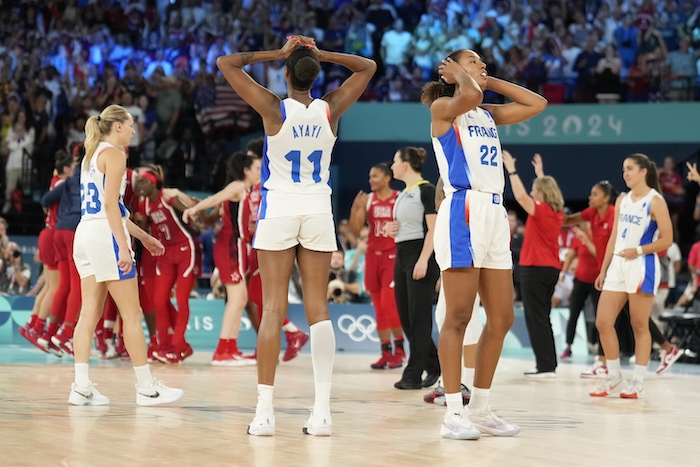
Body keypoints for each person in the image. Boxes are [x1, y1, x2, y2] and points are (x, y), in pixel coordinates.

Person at [215, 35, 375, 436]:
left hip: (280, 208)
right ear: (317, 75)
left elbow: (227, 63)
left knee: (272, 309)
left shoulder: (273, 108)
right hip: (319, 208)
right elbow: (367, 67)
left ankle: (264, 414)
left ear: (285, 74)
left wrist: (280, 52)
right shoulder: (331, 108)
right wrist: (320, 54)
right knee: (319, 311)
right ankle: (321, 412)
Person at [423, 49, 547, 439]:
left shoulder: (485, 112)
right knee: (458, 316)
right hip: (464, 208)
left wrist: (486, 80)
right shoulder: (446, 106)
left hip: (495, 212)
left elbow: (536, 103)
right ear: (455, 70)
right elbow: (470, 95)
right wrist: (465, 78)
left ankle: (481, 406)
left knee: (503, 317)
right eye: (476, 62)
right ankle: (452, 413)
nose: (484, 66)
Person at [69, 104, 183, 406]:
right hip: (105, 235)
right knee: (132, 314)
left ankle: (80, 387)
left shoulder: (90, 156)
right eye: (131, 124)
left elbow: (112, 210)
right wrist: (122, 246)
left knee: (89, 312)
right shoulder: (116, 155)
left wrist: (144, 237)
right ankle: (147, 388)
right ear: (117, 126)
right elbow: (110, 209)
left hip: (85, 234)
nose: (135, 130)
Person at [590, 154, 672, 399]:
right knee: (603, 322)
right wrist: (604, 269)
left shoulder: (655, 201)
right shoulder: (622, 199)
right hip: (617, 264)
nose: (625, 173)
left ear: (643, 171)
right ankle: (614, 375)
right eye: (623, 169)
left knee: (639, 325)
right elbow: (614, 236)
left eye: (630, 169)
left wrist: (636, 250)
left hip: (641, 264)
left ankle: (637, 381)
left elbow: (667, 240)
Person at [182, 153, 261, 366]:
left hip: (239, 247)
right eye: (256, 168)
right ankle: (222, 351)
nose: (260, 172)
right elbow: (215, 198)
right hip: (230, 247)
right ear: (246, 171)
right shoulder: (237, 187)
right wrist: (194, 209)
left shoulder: (251, 190)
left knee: (241, 299)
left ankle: (230, 348)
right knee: (236, 300)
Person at [503, 152, 565, 378]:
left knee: (535, 317)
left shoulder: (541, 210)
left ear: (541, 194)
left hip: (535, 269)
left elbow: (519, 196)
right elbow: (541, 190)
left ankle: (546, 367)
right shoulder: (555, 212)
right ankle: (548, 364)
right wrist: (540, 174)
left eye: (535, 190)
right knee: (542, 316)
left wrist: (511, 169)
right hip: (549, 269)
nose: (531, 193)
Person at [385, 146, 440, 390]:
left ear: (405, 164)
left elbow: (433, 229)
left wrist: (424, 260)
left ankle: (413, 374)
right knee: (407, 317)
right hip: (402, 254)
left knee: (419, 319)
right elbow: (402, 225)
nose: (392, 166)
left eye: (394, 161)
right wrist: (390, 230)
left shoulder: (426, 191)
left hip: (420, 254)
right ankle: (434, 364)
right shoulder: (402, 194)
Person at [135, 165, 201, 364]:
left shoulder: (168, 197)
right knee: (159, 300)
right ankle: (162, 345)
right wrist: (137, 222)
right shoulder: (145, 204)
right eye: (138, 182)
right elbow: (144, 230)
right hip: (166, 252)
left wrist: (195, 213)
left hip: (185, 249)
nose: (139, 185)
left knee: (181, 299)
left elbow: (190, 212)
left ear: (153, 183)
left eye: (143, 181)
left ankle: (177, 345)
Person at [349, 162, 405, 370]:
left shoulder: (399, 198)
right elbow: (356, 230)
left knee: (389, 305)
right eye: (370, 177)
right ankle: (385, 352)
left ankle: (400, 350)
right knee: (379, 308)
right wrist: (355, 208)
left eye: (375, 176)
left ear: (387, 178)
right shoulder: (368, 200)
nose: (371, 180)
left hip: (392, 255)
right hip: (372, 256)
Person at [564, 180, 619, 377]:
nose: (590, 197)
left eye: (594, 194)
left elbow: (607, 250)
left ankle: (665, 346)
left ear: (606, 198)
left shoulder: (615, 214)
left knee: (619, 319)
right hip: (603, 273)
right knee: (605, 320)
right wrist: (552, 209)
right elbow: (568, 220)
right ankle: (603, 362)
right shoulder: (592, 213)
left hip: (618, 269)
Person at [560, 223, 599, 359]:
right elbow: (571, 255)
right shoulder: (580, 238)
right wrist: (563, 273)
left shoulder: (600, 238)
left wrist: (587, 240)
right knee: (573, 313)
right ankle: (568, 346)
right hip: (580, 279)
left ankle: (601, 348)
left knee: (599, 316)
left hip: (597, 281)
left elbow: (598, 254)